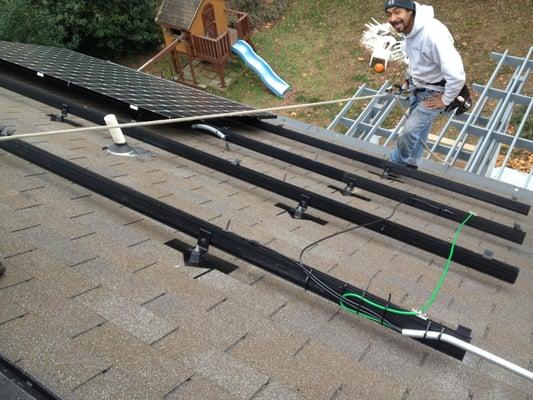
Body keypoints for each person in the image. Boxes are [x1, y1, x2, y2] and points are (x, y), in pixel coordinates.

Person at [385, 0, 466, 168]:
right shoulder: (409, 29)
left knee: (408, 132)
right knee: (419, 130)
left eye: (397, 12)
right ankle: (413, 161)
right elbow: (417, 59)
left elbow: (457, 75)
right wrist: (410, 79)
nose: (392, 18)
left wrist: (445, 99)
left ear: (410, 11)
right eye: (389, 14)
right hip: (417, 87)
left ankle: (396, 163)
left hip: (433, 93)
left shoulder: (433, 36)